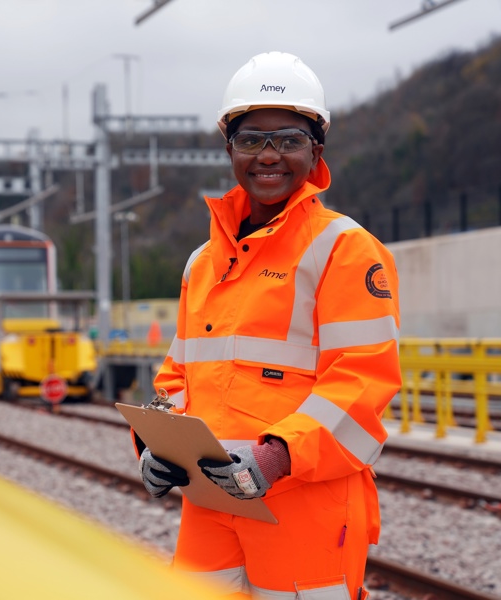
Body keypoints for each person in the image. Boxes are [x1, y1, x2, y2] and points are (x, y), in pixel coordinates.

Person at [136, 51, 401, 599]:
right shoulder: (200, 263)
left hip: (304, 505)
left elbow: (362, 382)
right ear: (229, 148)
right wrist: (151, 442)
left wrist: (275, 455)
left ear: (316, 151)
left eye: (288, 139)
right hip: (211, 507)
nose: (269, 156)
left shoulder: (344, 249)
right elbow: (176, 378)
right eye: (252, 139)